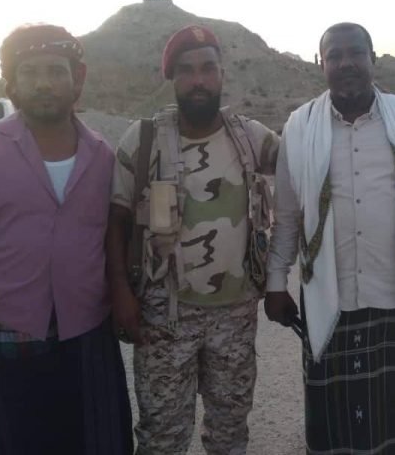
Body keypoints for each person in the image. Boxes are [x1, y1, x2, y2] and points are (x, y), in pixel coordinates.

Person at [0, 24, 133, 455]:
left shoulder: (102, 155)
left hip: (88, 330)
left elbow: (113, 238)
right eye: (30, 72)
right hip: (7, 326)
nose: (44, 83)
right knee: (15, 443)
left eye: (57, 71)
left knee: (100, 441)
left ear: (77, 79)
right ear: (12, 84)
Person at [265, 22, 395, 454]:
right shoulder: (299, 126)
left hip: (394, 294)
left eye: (355, 52)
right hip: (327, 296)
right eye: (334, 55)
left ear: (373, 58)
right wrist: (276, 282)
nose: (346, 63)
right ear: (321, 64)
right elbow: (287, 216)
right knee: (333, 423)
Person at [107, 25, 279, 454]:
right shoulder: (143, 140)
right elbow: (115, 222)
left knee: (229, 434)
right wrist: (120, 293)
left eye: (207, 68)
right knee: (162, 438)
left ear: (222, 74)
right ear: (172, 77)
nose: (198, 80)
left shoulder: (252, 138)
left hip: (235, 316)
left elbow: (308, 166)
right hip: (164, 317)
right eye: (186, 70)